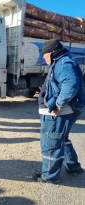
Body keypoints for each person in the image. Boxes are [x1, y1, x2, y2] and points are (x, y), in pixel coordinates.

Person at [34, 39, 85, 183]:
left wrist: (58, 105)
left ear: (51, 53)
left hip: (60, 112)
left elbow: (71, 84)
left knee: (51, 142)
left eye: (44, 55)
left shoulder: (64, 63)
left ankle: (50, 177)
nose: (43, 57)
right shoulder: (62, 60)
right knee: (62, 138)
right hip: (63, 111)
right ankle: (73, 166)